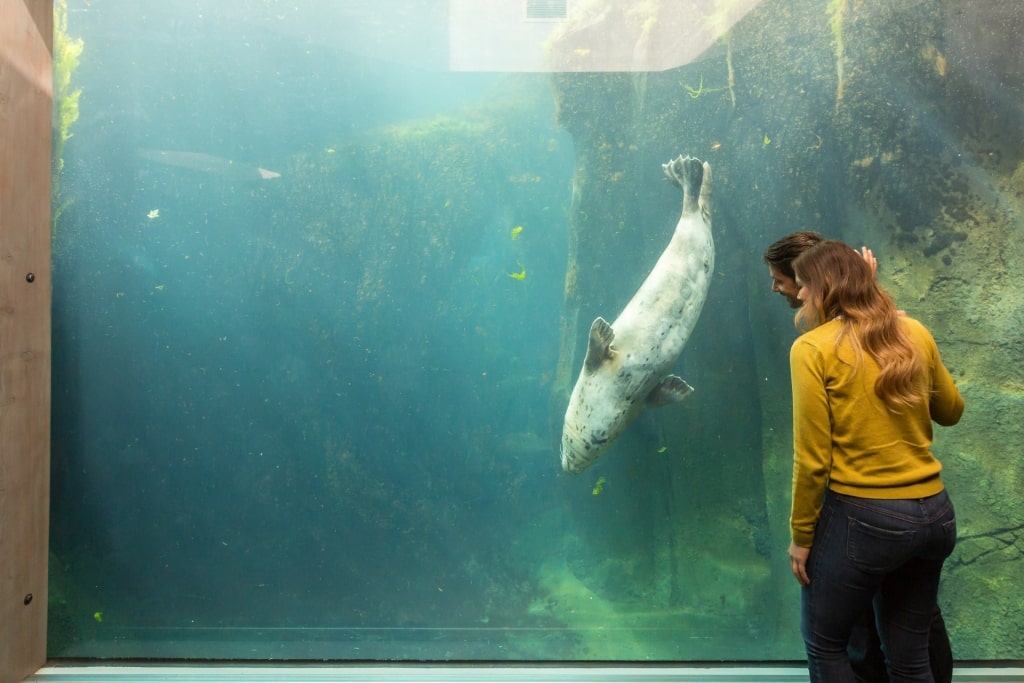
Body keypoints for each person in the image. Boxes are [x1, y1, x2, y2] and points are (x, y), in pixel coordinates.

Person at [764, 233, 954, 683]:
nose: (799, 291)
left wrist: (801, 537)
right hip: (936, 514)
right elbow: (951, 410)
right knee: (910, 656)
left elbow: (812, 459)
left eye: (803, 283)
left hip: (865, 520)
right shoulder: (913, 332)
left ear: (823, 288)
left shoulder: (810, 350)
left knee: (826, 645)